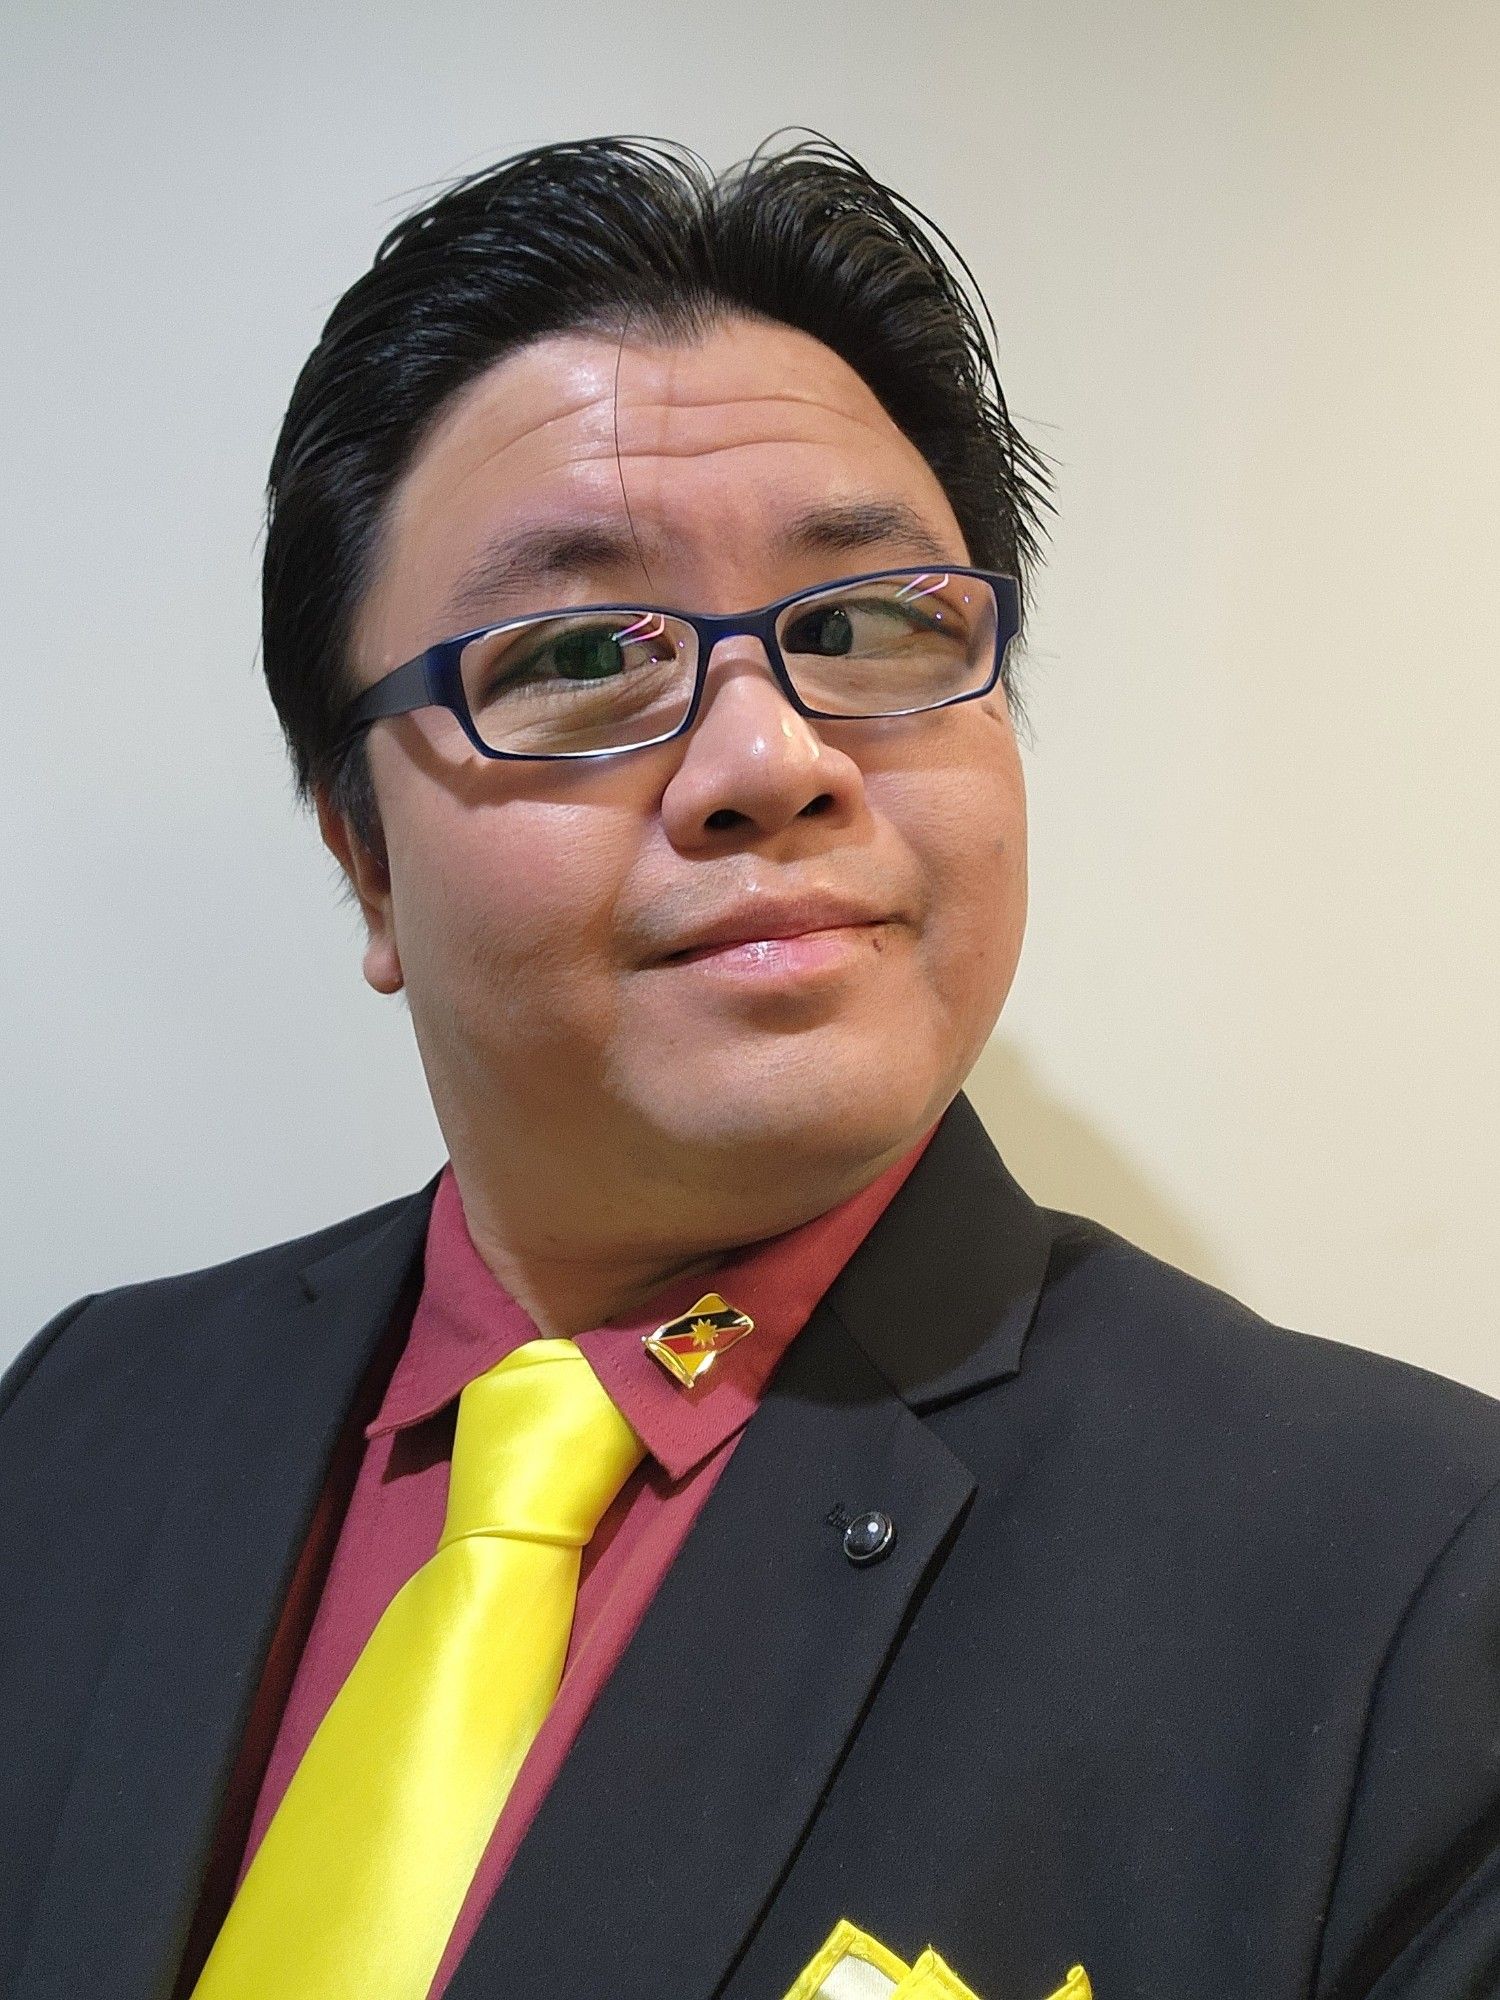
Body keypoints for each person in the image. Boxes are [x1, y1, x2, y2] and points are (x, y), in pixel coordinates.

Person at [2, 130, 1497, 2000]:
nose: (768, 756)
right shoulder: (78, 1419)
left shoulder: (1404, 1586)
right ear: (363, 855)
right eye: (574, 654)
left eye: (866, 627)